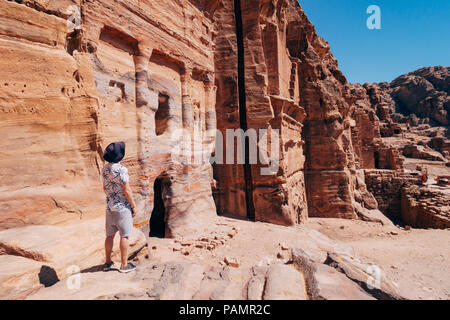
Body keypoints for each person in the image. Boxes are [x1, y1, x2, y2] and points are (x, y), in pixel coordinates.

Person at [102, 141, 137, 273]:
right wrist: (133, 206)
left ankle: (107, 263)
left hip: (109, 207)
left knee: (109, 236)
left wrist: (111, 198)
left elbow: (104, 188)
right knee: (125, 235)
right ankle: (124, 265)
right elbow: (127, 190)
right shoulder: (122, 169)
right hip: (122, 208)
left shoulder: (105, 168)